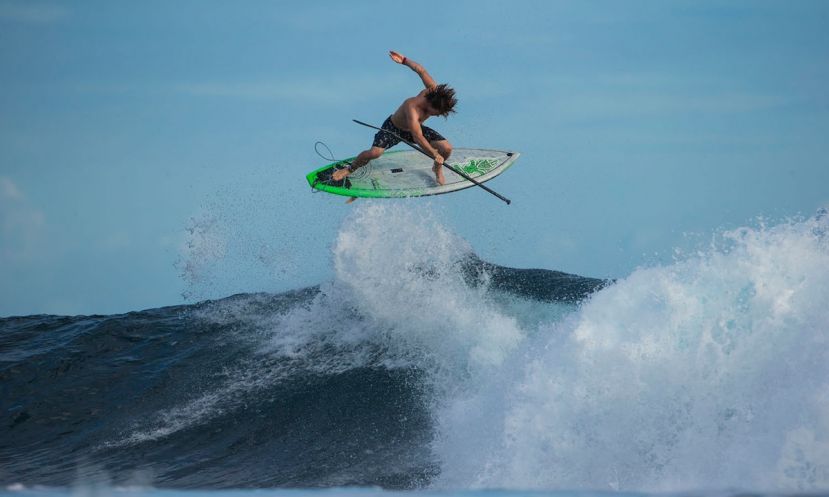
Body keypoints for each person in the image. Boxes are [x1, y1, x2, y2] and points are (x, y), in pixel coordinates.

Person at [333, 51, 457, 186]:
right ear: (430, 103)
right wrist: (434, 153)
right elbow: (418, 137)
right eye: (436, 112)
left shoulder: (433, 89)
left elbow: (420, 70)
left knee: (447, 149)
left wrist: (404, 60)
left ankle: (437, 167)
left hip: (414, 129)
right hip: (393, 129)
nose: (437, 115)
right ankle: (349, 169)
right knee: (374, 153)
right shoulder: (412, 106)